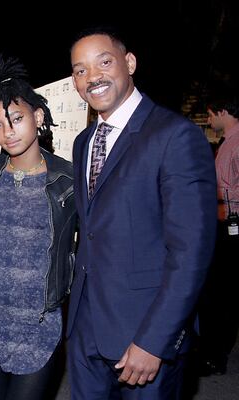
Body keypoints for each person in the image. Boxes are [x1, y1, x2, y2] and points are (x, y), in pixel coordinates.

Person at [66, 27, 217, 399]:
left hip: (145, 338)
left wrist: (155, 341)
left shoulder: (175, 135)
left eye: (103, 62)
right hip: (86, 333)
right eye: (80, 70)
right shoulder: (84, 142)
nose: (92, 77)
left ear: (129, 62)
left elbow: (191, 251)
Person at [0, 55, 77, 400]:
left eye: (16, 119)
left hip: (39, 325)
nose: (7, 131)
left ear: (39, 117)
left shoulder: (67, 180)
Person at [197, 89, 239, 376]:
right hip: (221, 224)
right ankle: (212, 350)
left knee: (223, 294)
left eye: (211, 115)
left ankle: (216, 355)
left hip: (232, 228)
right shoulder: (227, 143)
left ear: (222, 111)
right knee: (215, 292)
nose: (209, 121)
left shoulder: (237, 143)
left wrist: (221, 196)